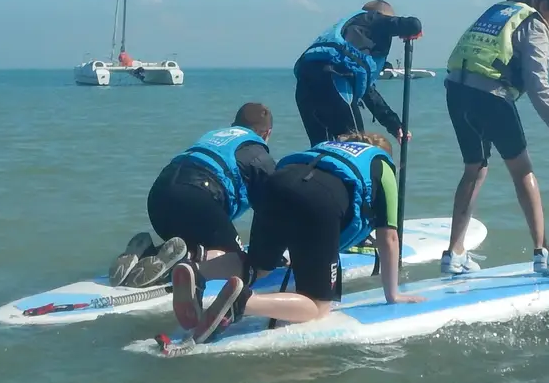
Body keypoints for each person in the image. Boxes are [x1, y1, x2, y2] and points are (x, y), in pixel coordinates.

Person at [169, 131, 424, 341]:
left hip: (276, 187)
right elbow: (389, 237)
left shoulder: (328, 147)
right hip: (319, 201)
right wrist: (393, 294)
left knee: (257, 266)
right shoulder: (382, 165)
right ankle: (242, 302)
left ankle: (198, 272)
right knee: (319, 306)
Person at [441, 0, 549, 277]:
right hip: (491, 97)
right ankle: (543, 251)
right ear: (544, 6)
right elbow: (538, 83)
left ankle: (453, 253)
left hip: (456, 91)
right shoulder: (535, 24)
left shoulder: (499, 13)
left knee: (475, 168)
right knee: (523, 171)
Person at [115, 102, 278, 288]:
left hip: (158, 195)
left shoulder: (215, 136)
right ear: (267, 134)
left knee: (199, 238)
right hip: (197, 198)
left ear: (234, 126)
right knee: (240, 263)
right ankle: (182, 264)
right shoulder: (259, 156)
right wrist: (268, 256)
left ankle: (149, 252)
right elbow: (275, 210)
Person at [293, 1, 423, 147]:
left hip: (305, 82)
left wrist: (394, 125)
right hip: (334, 80)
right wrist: (412, 31)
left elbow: (369, 94)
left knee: (322, 149)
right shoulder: (374, 19)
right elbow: (413, 24)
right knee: (357, 149)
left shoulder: (347, 34)